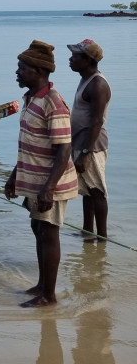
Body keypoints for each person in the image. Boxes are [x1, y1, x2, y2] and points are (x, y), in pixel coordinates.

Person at [5, 40, 77, 308]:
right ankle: (41, 285)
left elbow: (64, 149)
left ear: (38, 71)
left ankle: (49, 296)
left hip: (51, 184)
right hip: (34, 181)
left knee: (49, 233)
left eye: (22, 68)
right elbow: (28, 145)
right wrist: (14, 177)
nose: (17, 72)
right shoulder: (30, 99)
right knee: (38, 228)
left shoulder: (53, 102)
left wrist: (48, 188)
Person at [67, 39, 111, 240]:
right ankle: (87, 232)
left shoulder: (97, 84)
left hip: (91, 145)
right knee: (87, 190)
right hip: (81, 142)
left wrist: (85, 153)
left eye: (75, 56)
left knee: (97, 191)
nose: (70, 59)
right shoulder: (85, 79)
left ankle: (102, 238)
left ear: (87, 60)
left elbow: (97, 122)